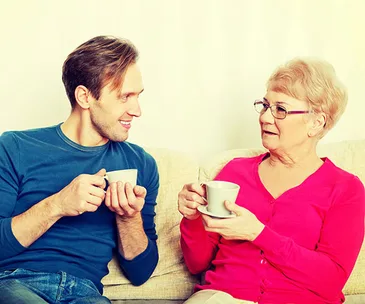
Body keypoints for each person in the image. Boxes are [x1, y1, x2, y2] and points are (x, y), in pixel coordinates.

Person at [178, 58, 365, 304]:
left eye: (280, 109)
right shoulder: (235, 173)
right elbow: (196, 263)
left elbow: (331, 279)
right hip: (223, 298)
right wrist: (193, 220)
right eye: (265, 105)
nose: (265, 117)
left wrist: (258, 234)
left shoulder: (345, 189)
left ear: (316, 122)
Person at [0, 35, 159, 303]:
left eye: (138, 96)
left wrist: (128, 218)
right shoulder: (15, 147)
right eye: (125, 97)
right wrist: (57, 205)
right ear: (85, 96)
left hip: (85, 293)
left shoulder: (141, 164)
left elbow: (141, 273)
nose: (137, 110)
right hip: (16, 283)